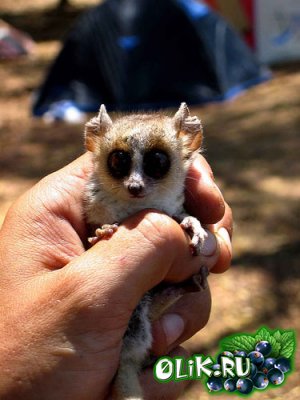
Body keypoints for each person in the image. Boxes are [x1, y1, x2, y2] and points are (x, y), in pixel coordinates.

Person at [0, 152, 232, 399]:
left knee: (141, 335)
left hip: (133, 322)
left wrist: (190, 223)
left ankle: (171, 297)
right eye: (120, 164)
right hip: (120, 329)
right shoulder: (94, 196)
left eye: (157, 164)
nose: (135, 181)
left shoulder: (175, 189)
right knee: (134, 349)